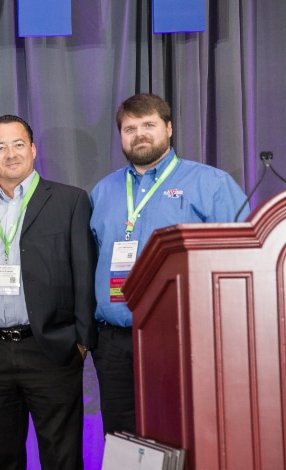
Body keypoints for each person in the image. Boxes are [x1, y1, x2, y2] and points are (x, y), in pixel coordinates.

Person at [90, 93, 250, 435]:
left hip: (180, 339)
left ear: (169, 128)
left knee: (181, 434)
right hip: (113, 343)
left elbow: (241, 261)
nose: (140, 134)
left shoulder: (212, 184)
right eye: (130, 128)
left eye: (148, 125)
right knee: (120, 440)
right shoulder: (103, 191)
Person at [0, 114, 97, 469]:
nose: (11, 154)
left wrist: (82, 341)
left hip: (51, 350)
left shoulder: (70, 201)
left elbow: (85, 273)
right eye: (0, 147)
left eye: (18, 144)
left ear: (33, 150)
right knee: (1, 459)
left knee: (62, 458)